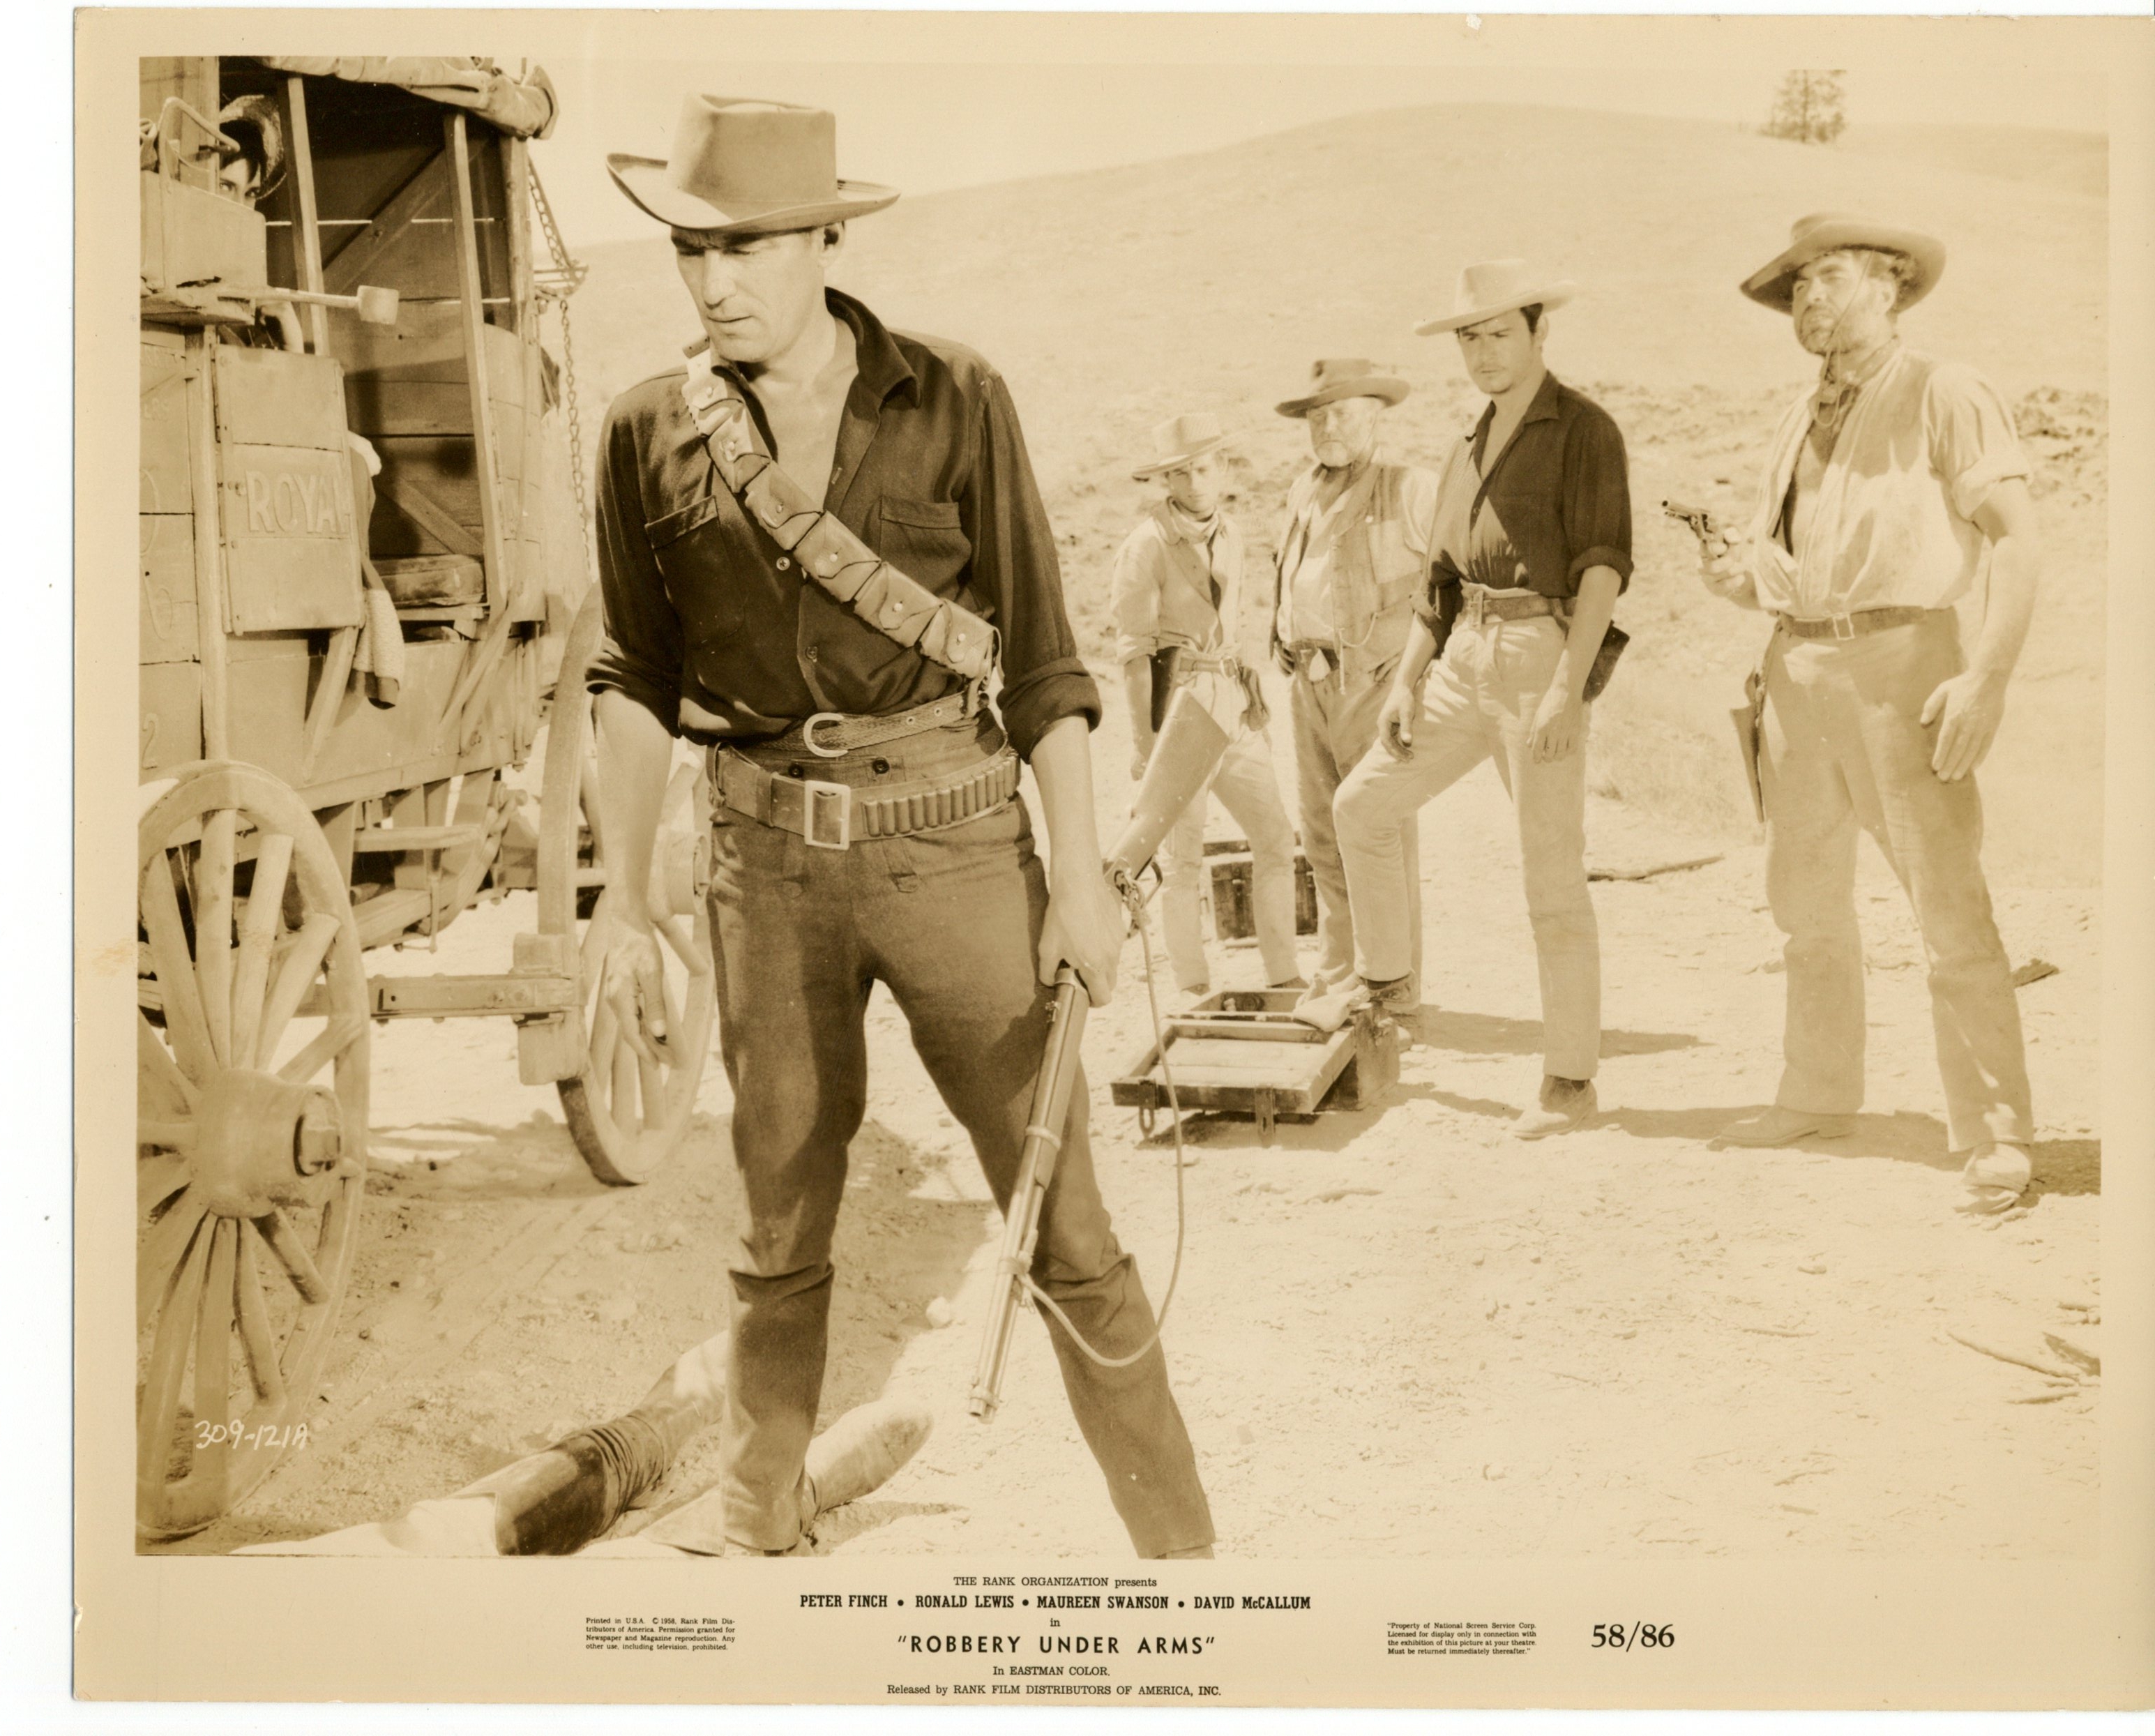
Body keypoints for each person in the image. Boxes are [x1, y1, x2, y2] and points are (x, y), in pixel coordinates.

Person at [586, 95, 1214, 1556]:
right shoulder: (642, 435)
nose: (711, 280)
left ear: (822, 236)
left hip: (958, 851)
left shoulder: (953, 396)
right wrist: (621, 897)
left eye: (741, 245)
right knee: (776, 1228)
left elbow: (1049, 658)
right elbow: (633, 673)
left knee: (1063, 1226)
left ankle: (1187, 1564)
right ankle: (760, 1532)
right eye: (689, 250)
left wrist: (1078, 881)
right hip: (763, 867)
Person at [1696, 213, 2042, 1214]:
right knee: (1802, 900)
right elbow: (1786, 568)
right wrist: (1738, 574)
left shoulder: (1944, 391)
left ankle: (1993, 1130)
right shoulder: (1796, 418)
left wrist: (1986, 677)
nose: (1810, 299)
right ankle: (1815, 1094)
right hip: (1797, 669)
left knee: (1945, 904)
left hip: (1902, 667)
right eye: (1798, 284)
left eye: (1832, 277)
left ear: (1889, 289)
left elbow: (2017, 540)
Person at [1332, 262, 1629, 1138]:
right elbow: (1439, 583)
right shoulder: (1466, 443)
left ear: (1541, 333)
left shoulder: (1584, 429)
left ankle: (1570, 1082)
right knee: (1362, 805)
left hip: (1545, 654)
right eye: (1470, 336)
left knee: (1550, 880)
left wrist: (1566, 692)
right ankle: (1388, 992)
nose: (1484, 351)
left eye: (1501, 332)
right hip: (1462, 659)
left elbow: (1604, 565)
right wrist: (1405, 679)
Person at [1112, 411, 1303, 1000]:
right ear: (1164, 482)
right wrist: (1147, 747)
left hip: (1233, 708)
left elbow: (1238, 622)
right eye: (1180, 473)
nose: (1194, 483)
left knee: (1274, 837)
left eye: (1203, 468)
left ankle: (1285, 976)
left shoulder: (1233, 533)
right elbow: (1134, 653)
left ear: (1222, 469)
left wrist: (1251, 695)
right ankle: (1192, 986)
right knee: (1183, 855)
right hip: (1181, 712)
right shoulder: (1145, 546)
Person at [1268, 358, 1438, 1011]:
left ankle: (1394, 988)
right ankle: (1344, 973)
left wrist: (1415, 680)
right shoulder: (1300, 491)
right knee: (1320, 832)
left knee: (1378, 830)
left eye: (1341, 411)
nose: (1327, 425)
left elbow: (1444, 586)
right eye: (1316, 415)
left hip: (1376, 683)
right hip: (1309, 683)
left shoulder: (1411, 489)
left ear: (1376, 415)